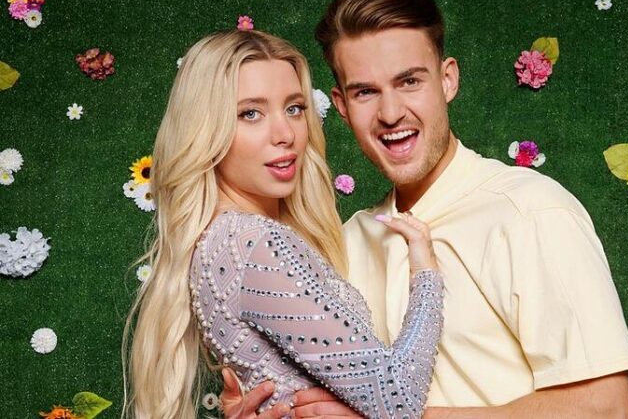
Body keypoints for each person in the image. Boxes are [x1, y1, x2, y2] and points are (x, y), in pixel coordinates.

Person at [223, 0, 628, 417]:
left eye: (409, 82)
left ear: (447, 80)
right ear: (343, 106)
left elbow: (605, 410)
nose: (391, 113)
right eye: (366, 92)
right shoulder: (343, 244)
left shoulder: (529, 212)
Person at [121, 29, 447, 419]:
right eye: (250, 113)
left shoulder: (224, 240)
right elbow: (398, 400)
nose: (285, 134)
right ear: (206, 129)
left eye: (293, 108)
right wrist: (427, 276)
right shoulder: (251, 243)